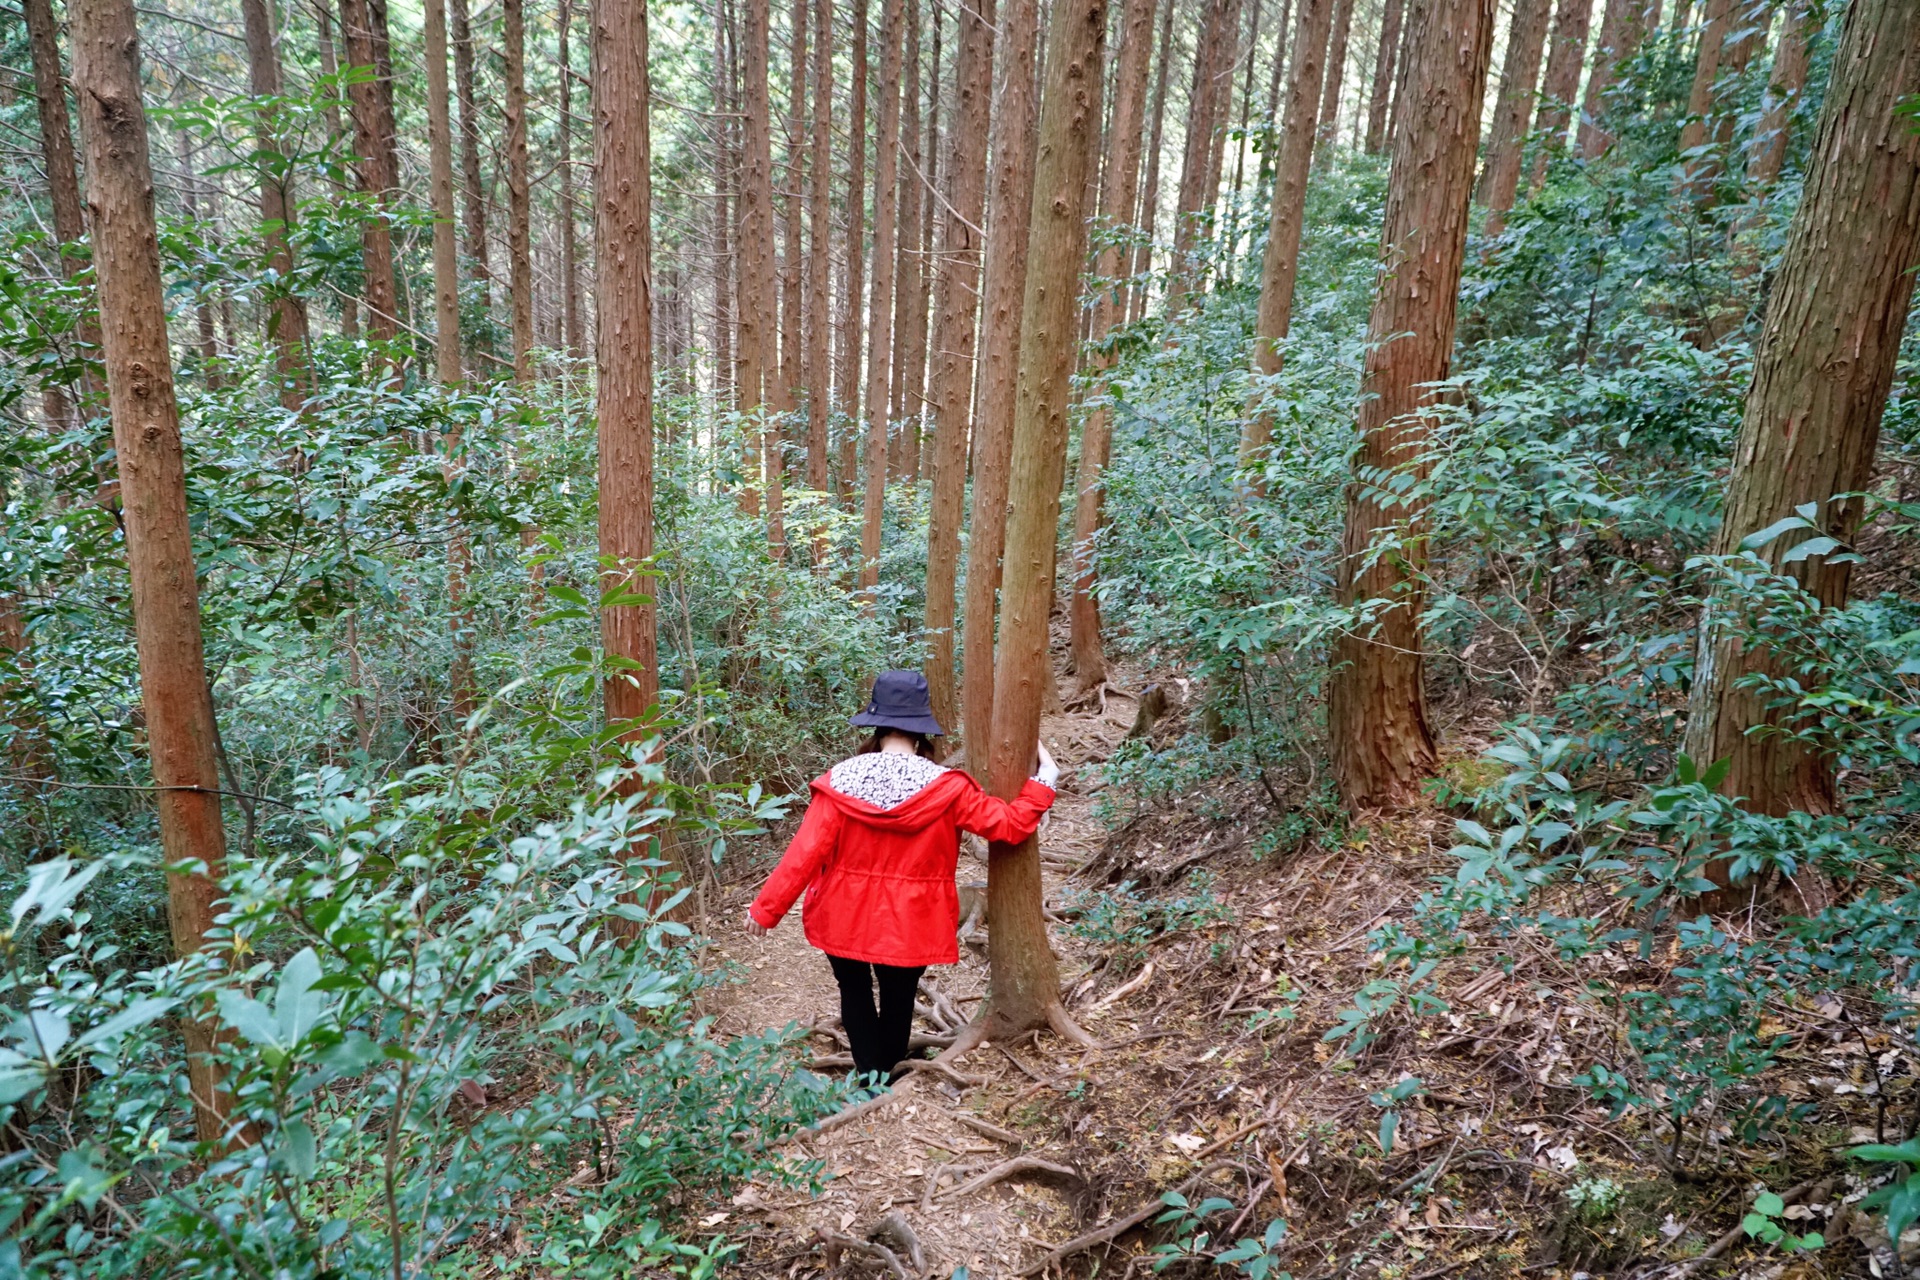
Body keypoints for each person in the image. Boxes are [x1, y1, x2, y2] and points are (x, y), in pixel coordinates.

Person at [745, 669, 1058, 1087]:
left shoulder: (840, 781)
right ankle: (883, 1080)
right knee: (899, 999)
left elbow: (803, 854)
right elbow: (1008, 825)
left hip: (843, 910)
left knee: (853, 990)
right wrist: (1045, 778)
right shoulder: (949, 788)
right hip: (914, 918)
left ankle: (867, 1079)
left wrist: (766, 911)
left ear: (877, 723)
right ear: (922, 731)